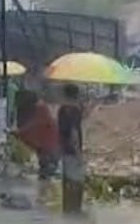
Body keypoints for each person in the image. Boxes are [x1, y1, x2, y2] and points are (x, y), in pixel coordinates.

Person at [10, 92, 59, 180]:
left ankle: (45, 180)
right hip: (46, 139)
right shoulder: (40, 106)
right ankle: (45, 181)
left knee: (46, 162)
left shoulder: (41, 107)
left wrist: (20, 131)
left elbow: (35, 122)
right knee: (45, 162)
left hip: (47, 139)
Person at [57, 84, 85, 213]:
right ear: (77, 95)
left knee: (67, 181)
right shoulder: (74, 110)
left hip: (64, 149)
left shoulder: (62, 109)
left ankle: (67, 209)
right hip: (73, 151)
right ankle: (75, 211)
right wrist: (79, 154)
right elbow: (73, 132)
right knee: (76, 182)